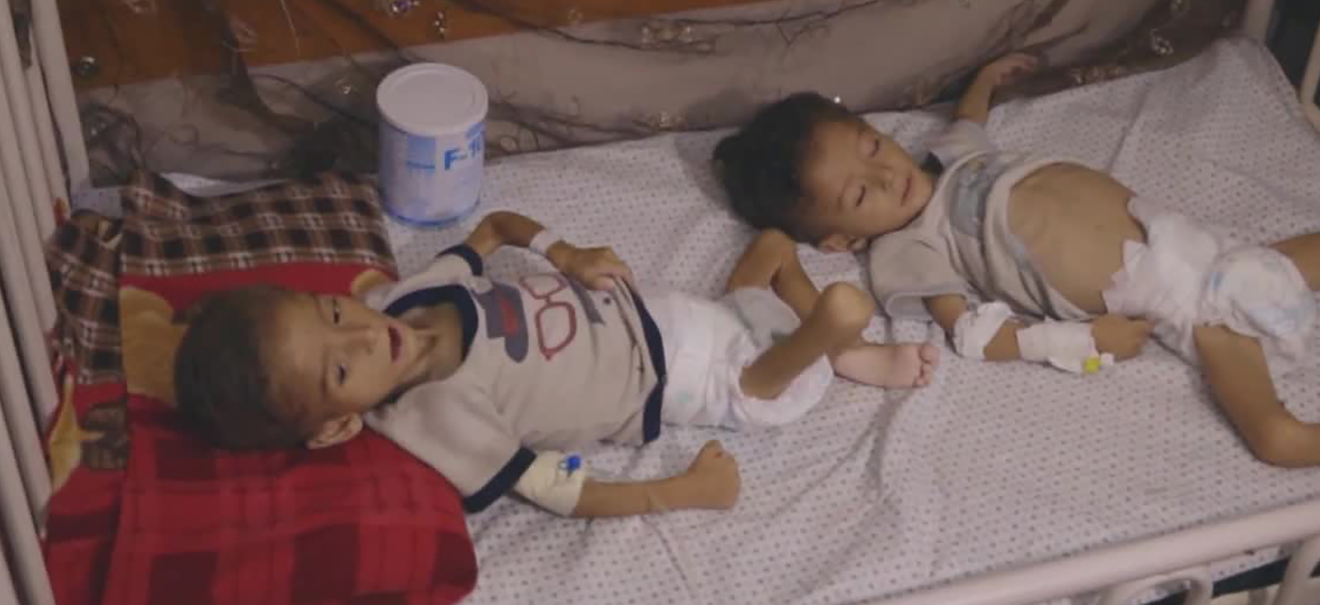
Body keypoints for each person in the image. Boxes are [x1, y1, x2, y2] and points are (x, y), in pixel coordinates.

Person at [713, 53, 1320, 467]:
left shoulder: (947, 156)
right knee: (1280, 439)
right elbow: (974, 333)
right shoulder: (906, 250)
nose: (888, 172)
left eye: (873, 145)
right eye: (860, 193)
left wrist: (983, 81)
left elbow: (969, 120)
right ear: (842, 242)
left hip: (1213, 253)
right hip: (1187, 305)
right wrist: (1080, 340)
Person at [173, 209, 936, 518]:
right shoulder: (432, 417)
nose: (366, 338)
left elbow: (496, 226)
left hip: (670, 307)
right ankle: (843, 345)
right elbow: (561, 491)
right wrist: (686, 490)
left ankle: (846, 351)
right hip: (692, 381)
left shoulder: (407, 296)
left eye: (336, 315)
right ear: (339, 425)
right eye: (340, 372)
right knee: (820, 328)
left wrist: (563, 252)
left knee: (770, 245)